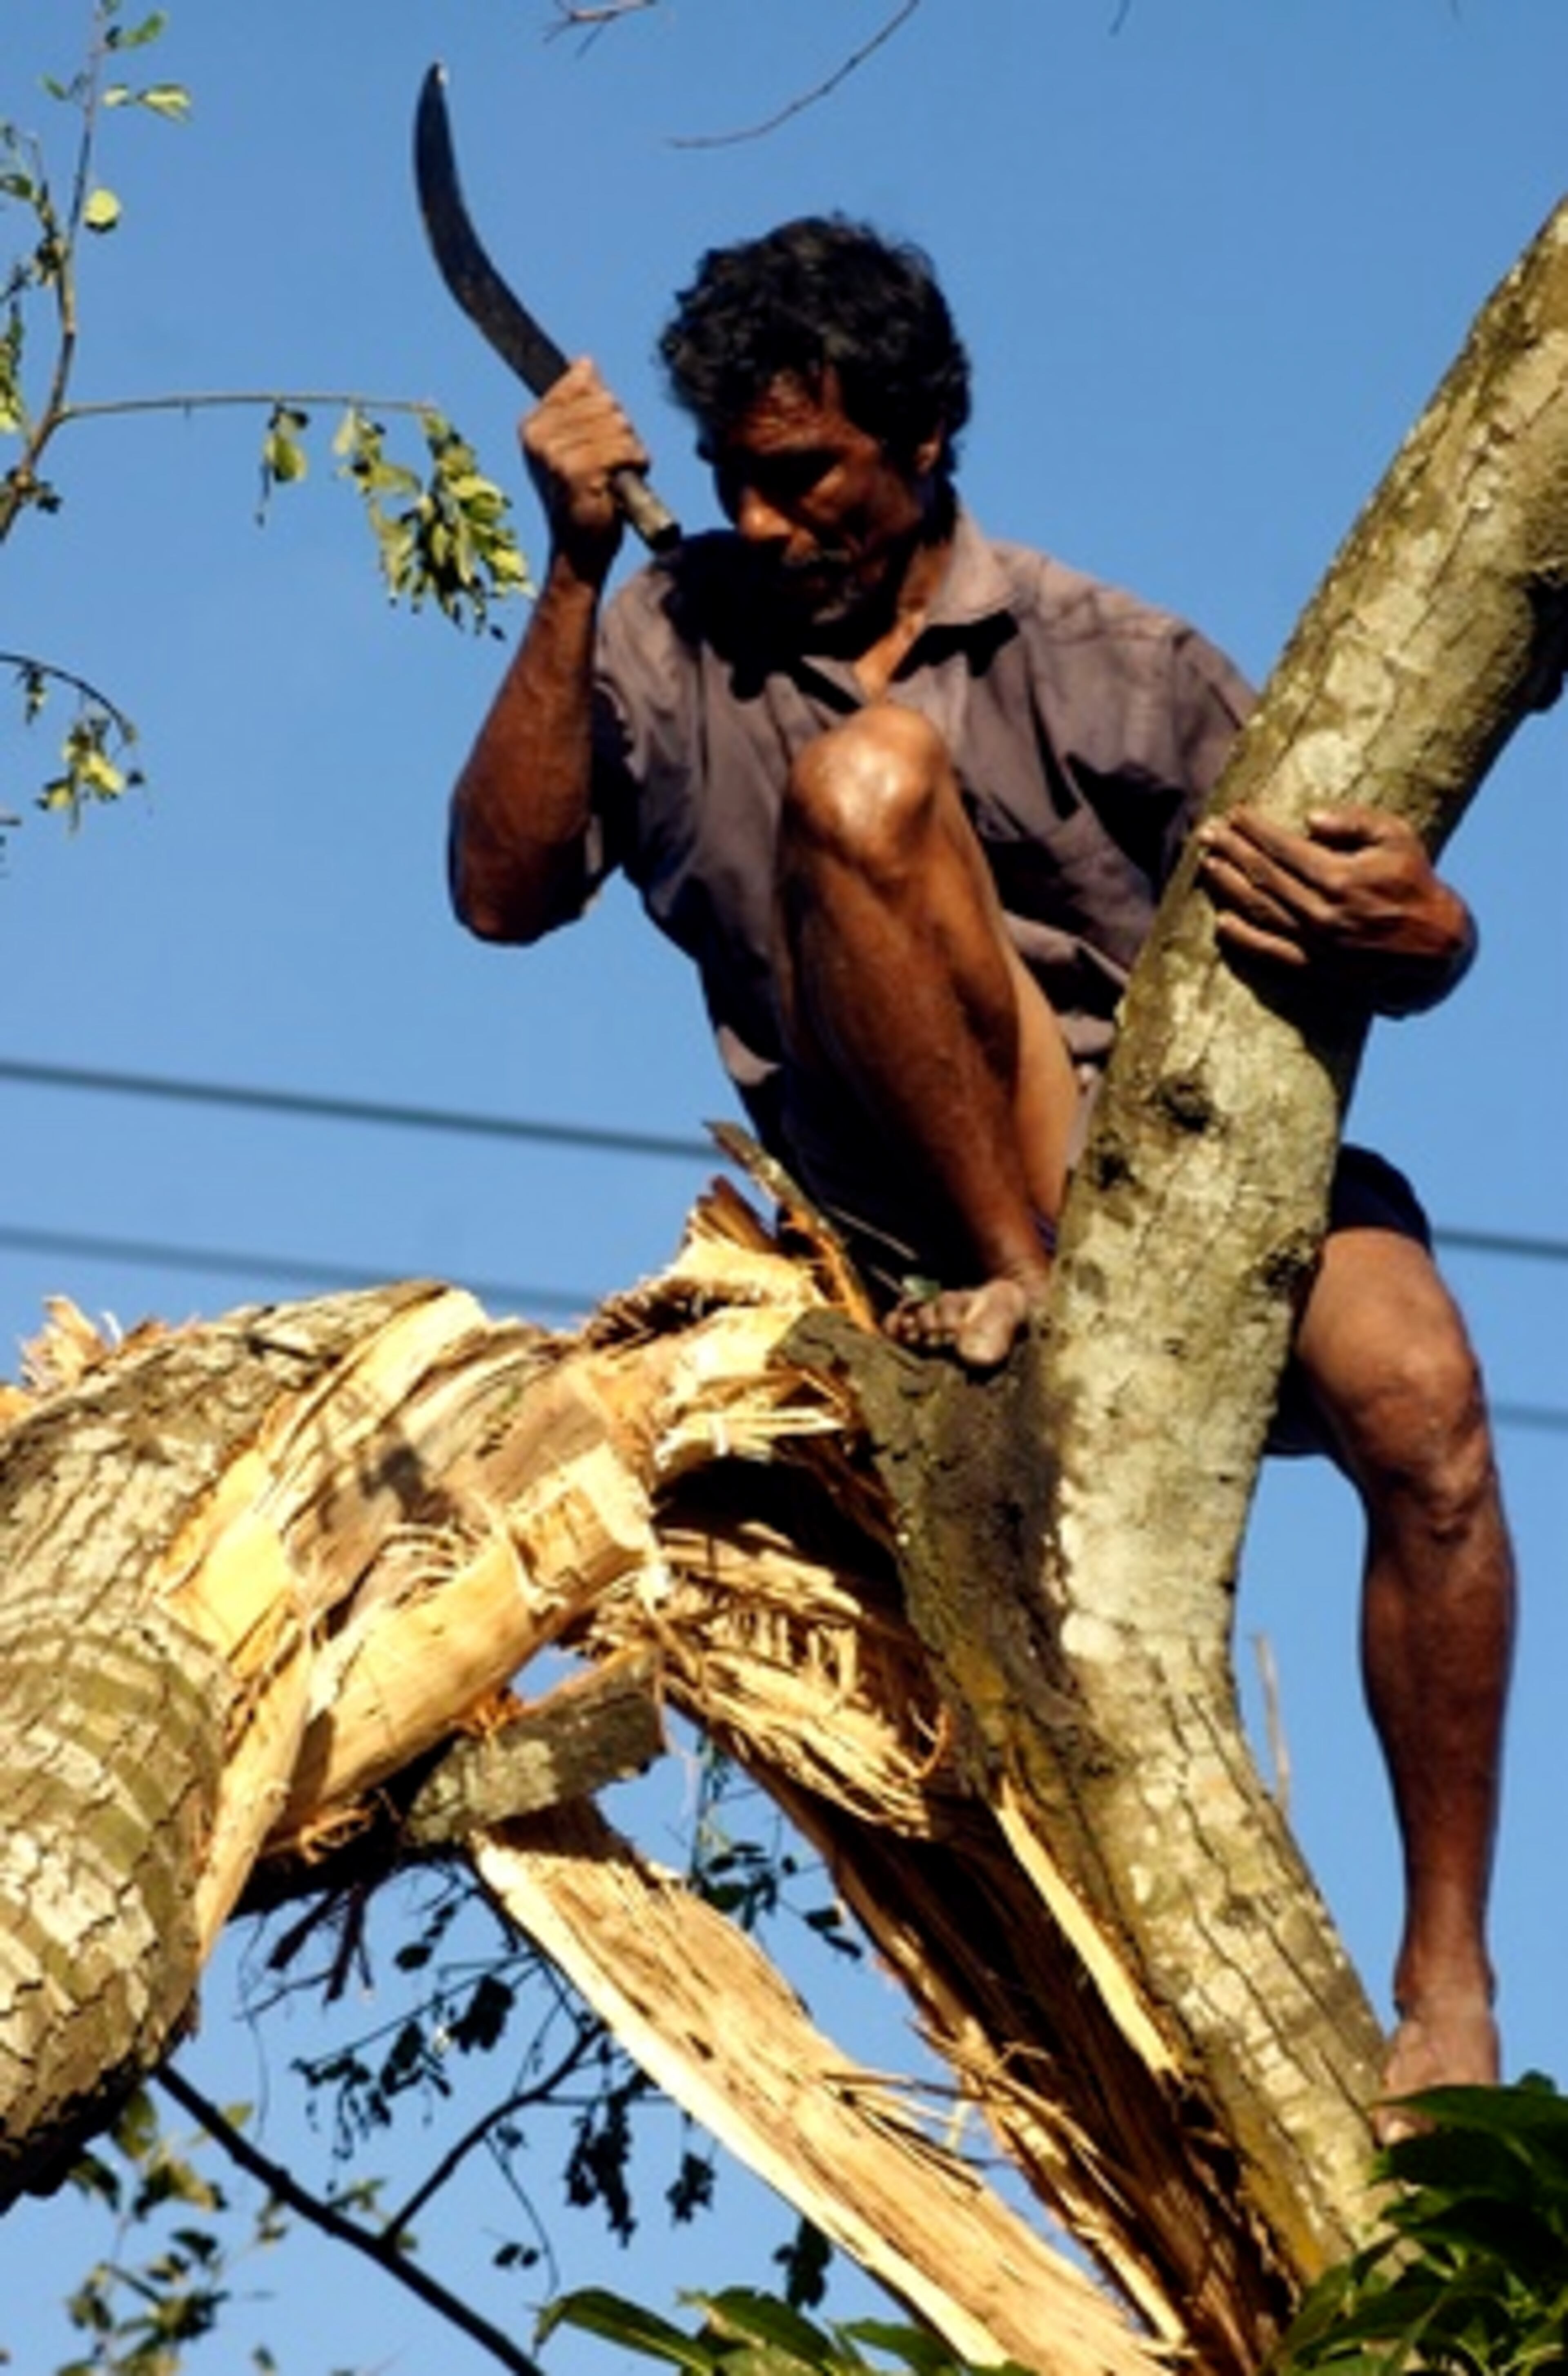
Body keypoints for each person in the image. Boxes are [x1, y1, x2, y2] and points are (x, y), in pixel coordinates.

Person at [446, 214, 1514, 2113]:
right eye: (732, 486)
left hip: (1183, 1165)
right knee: (868, 785)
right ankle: (1026, 1279)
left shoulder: (1119, 663)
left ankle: (1448, 1975)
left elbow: (1383, 930)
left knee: (1427, 1408)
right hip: (927, 1214)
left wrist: (1432, 932)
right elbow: (501, 895)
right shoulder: (667, 646)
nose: (763, 526)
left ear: (928, 439)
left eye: (805, 480)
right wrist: (579, 565)